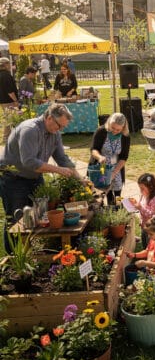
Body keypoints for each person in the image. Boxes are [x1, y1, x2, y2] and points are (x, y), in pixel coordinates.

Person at [0, 103, 81, 252]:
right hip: (13, 178)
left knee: (41, 215)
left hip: (34, 177)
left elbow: (62, 158)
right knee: (15, 218)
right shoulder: (30, 130)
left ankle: (34, 251)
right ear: (49, 117)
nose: (60, 130)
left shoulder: (54, 133)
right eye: (59, 126)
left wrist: (80, 179)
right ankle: (13, 258)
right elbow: (29, 161)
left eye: (63, 127)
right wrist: (58, 170)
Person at [90, 113, 130, 205]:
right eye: (113, 128)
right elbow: (93, 149)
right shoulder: (101, 131)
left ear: (123, 128)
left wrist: (114, 172)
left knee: (118, 191)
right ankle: (110, 206)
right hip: (102, 166)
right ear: (109, 123)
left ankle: (119, 207)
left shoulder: (125, 136)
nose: (115, 131)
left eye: (118, 129)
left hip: (117, 165)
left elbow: (124, 157)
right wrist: (99, 157)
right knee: (105, 191)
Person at [129, 173, 155, 248]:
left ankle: (150, 257)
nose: (140, 190)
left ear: (151, 187)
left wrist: (140, 208)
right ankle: (146, 254)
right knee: (144, 242)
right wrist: (135, 204)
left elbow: (153, 215)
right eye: (140, 188)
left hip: (152, 228)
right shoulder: (143, 195)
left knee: (150, 245)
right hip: (144, 225)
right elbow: (141, 205)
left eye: (142, 188)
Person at [0, 57, 19, 144]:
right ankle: (6, 138)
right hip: (8, 100)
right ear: (5, 64)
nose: (10, 65)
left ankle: (9, 137)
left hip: (3, 100)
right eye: (9, 63)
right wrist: (15, 100)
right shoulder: (6, 75)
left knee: (9, 119)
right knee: (10, 120)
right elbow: (9, 91)